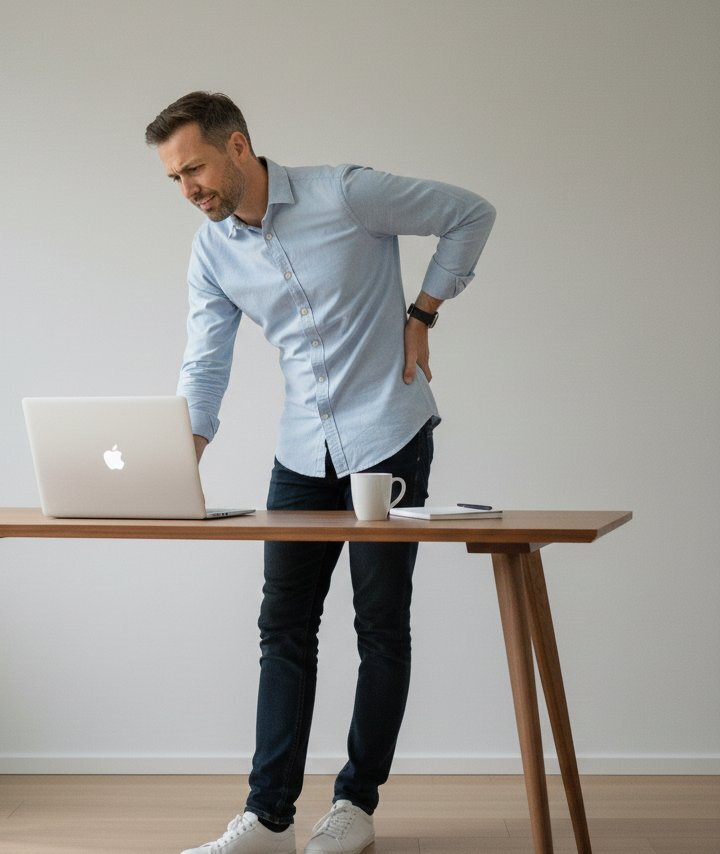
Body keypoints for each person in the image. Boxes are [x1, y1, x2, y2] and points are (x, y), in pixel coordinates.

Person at [145, 92, 495, 854]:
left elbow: (471, 211)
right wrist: (177, 465)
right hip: (303, 450)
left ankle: (355, 807)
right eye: (173, 179)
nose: (188, 190)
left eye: (195, 168)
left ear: (238, 147)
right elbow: (204, 365)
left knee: (380, 626)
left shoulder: (346, 192)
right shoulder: (213, 252)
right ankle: (269, 819)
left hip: (387, 436)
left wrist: (424, 311)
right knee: (283, 628)